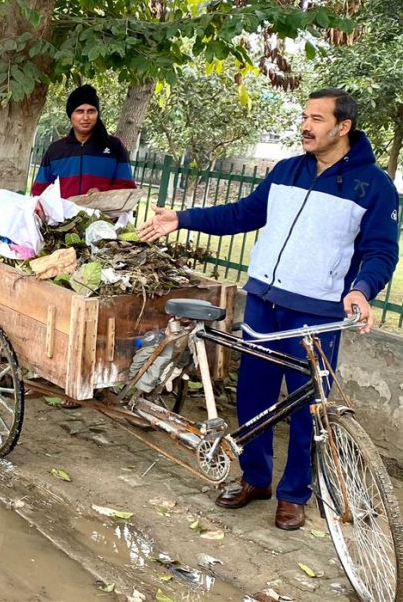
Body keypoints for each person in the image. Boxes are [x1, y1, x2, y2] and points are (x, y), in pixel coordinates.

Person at [138, 88, 399, 530]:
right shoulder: (286, 171)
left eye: (317, 118)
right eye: (304, 116)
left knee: (308, 406)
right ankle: (255, 478)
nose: (306, 125)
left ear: (343, 127)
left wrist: (362, 290)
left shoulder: (373, 186)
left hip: (316, 312)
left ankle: (295, 494)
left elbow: (380, 250)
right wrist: (183, 218)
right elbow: (242, 214)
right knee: (255, 396)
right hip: (263, 300)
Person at [31, 84, 136, 197]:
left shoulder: (114, 147)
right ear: (70, 115)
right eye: (79, 111)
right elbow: (39, 190)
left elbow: (128, 189)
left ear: (97, 114)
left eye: (91, 111)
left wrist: (102, 192)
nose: (85, 117)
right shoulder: (56, 150)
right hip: (62, 214)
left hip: (102, 214)